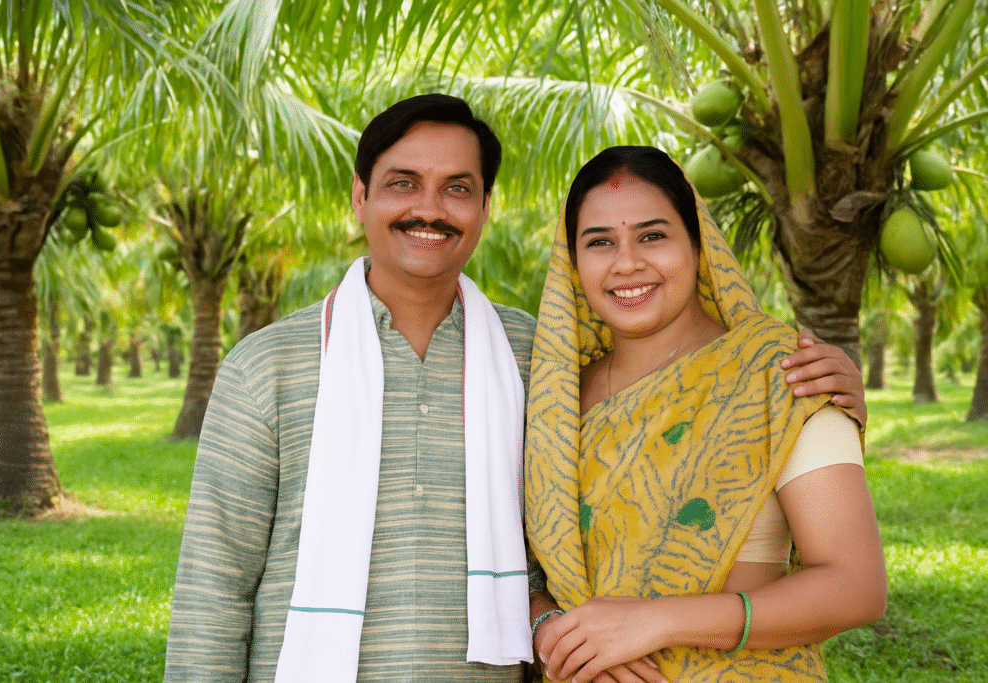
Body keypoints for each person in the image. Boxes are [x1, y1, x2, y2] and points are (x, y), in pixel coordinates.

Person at [164, 96, 868, 683]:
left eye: (457, 188)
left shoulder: (540, 361)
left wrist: (827, 396)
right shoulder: (268, 366)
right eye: (403, 182)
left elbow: (832, 551)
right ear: (361, 196)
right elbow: (212, 590)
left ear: (484, 206)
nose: (429, 208)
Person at [525, 146, 887, 683]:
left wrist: (656, 623)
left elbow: (856, 586)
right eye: (599, 242)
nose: (627, 263)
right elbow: (522, 572)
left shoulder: (780, 373)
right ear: (573, 264)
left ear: (698, 246)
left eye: (653, 236)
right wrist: (551, 629)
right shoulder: (552, 402)